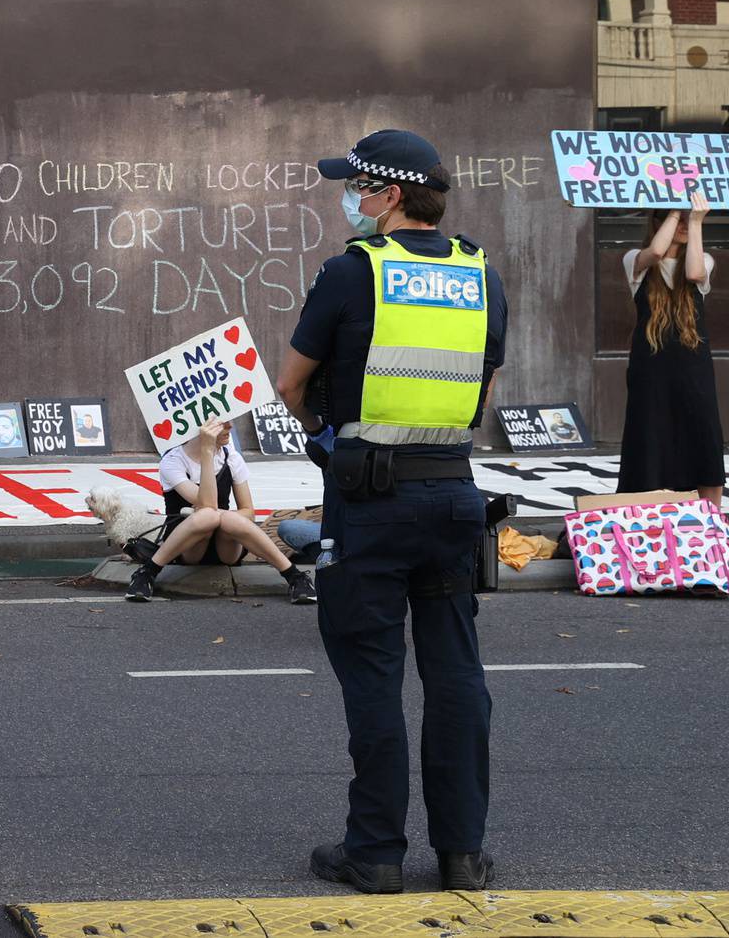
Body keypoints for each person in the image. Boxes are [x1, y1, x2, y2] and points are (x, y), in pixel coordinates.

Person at [275, 129, 508, 896]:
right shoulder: (481, 274)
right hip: (452, 494)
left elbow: (290, 385)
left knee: (373, 673)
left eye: (358, 186)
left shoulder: (353, 272)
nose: (351, 197)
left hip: (369, 501)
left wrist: (328, 434)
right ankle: (463, 855)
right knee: (456, 676)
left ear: (391, 196)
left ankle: (374, 853)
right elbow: (483, 387)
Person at [124, 420, 317, 604]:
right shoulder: (173, 461)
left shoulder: (231, 457)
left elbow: (249, 512)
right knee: (207, 516)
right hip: (188, 547)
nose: (230, 426)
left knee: (224, 518)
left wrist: (222, 517)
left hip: (227, 548)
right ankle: (147, 573)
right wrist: (207, 452)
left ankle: (295, 576)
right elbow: (208, 503)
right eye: (222, 422)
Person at [618, 191, 723, 500]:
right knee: (651, 438)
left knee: (704, 434)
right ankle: (651, 512)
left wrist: (696, 221)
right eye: (674, 218)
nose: (683, 224)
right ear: (657, 220)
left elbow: (693, 273)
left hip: (693, 367)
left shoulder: (703, 258)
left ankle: (712, 521)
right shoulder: (634, 260)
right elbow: (655, 252)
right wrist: (677, 209)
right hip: (651, 369)